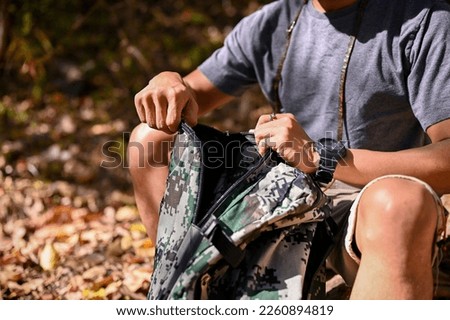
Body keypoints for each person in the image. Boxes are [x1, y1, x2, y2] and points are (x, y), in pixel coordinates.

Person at [128, 0, 450, 299]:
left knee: (400, 204)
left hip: (366, 216)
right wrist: (167, 81)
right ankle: (185, 291)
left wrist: (320, 157)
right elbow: (185, 100)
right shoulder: (276, 19)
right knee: (151, 139)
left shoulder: (424, 19)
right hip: (278, 206)